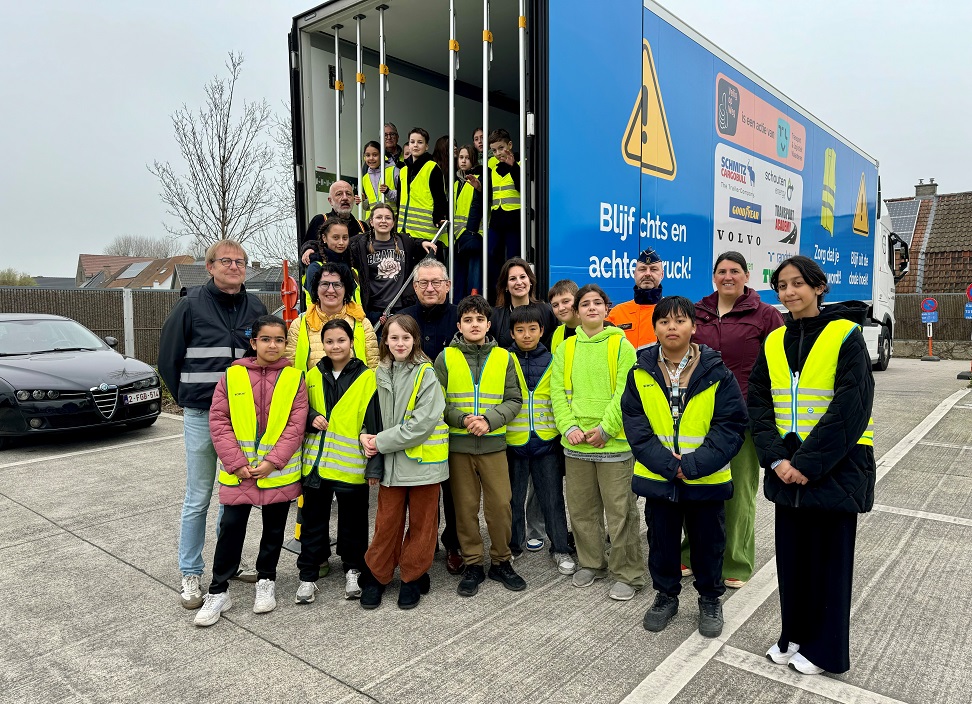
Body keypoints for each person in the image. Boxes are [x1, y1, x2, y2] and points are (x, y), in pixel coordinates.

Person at [748, 255, 875, 676]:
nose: (789, 292)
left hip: (835, 467)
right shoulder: (772, 341)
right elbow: (759, 406)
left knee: (830, 564)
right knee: (793, 562)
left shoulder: (846, 336)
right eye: (782, 285)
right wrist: (778, 459)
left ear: (819, 287)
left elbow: (851, 407)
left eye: (798, 283)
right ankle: (793, 636)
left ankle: (827, 651)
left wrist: (807, 463)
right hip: (787, 469)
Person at [621, 296, 747, 638]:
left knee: (709, 542)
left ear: (694, 327)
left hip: (704, 478)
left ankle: (709, 599)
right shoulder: (640, 371)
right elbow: (635, 424)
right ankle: (665, 596)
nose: (671, 327)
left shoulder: (716, 372)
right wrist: (667, 465)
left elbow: (731, 426)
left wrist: (691, 465)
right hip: (658, 479)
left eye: (679, 321)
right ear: (655, 327)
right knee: (662, 542)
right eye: (664, 321)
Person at [159, 239, 268, 610]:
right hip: (202, 414)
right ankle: (190, 572)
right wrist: (191, 399)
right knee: (198, 495)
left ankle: (229, 562)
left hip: (244, 418)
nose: (234, 267)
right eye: (226, 261)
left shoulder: (255, 306)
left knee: (234, 494)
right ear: (209, 267)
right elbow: (168, 362)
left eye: (240, 262)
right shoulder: (189, 306)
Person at [194, 316, 308, 626]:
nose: (273, 345)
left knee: (273, 531)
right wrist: (236, 464)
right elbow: (219, 422)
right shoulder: (231, 377)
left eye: (279, 340)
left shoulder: (295, 378)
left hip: (278, 472)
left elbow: (296, 426)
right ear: (253, 342)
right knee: (231, 529)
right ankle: (219, 590)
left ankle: (266, 581)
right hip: (239, 471)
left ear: (286, 344)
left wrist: (273, 461)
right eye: (266, 339)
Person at [681, 251, 784, 588]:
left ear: (746, 276)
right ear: (714, 276)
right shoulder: (697, 313)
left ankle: (735, 562)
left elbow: (779, 364)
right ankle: (689, 554)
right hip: (699, 415)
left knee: (738, 491)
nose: (728, 276)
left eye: (735, 271)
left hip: (744, 416)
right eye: (722, 271)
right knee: (695, 486)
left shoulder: (765, 315)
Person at [550, 284, 644, 601]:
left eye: (597, 303)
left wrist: (606, 429)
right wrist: (569, 427)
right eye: (585, 304)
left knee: (621, 512)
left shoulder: (622, 347)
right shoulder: (566, 349)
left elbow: (625, 393)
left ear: (607, 309)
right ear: (576, 312)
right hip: (576, 444)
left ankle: (627, 573)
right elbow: (557, 394)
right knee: (582, 510)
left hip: (613, 445)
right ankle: (592, 562)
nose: (591, 308)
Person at [434, 295, 525, 597]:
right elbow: (437, 402)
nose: (474, 325)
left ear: (488, 324)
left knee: (500, 506)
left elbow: (514, 400)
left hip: (493, 445)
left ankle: (501, 560)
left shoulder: (505, 358)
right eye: (468, 320)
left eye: (480, 320)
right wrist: (462, 420)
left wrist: (488, 419)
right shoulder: (445, 358)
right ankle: (473, 563)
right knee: (465, 508)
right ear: (459, 325)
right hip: (458, 447)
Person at [361, 314, 449, 610]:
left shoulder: (426, 374)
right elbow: (370, 413)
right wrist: (364, 435)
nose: (400, 343)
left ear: (415, 340)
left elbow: (421, 425)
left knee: (423, 526)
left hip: (424, 466)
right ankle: (378, 575)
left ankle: (412, 576)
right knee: (386, 524)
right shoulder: (378, 373)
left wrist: (379, 442)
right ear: (385, 340)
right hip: (391, 467)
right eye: (394, 337)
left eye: (406, 337)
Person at [296, 319, 383, 603]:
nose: (335, 346)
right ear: (323, 344)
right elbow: (300, 410)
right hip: (316, 466)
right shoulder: (311, 375)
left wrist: (374, 465)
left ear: (351, 342)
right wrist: (310, 418)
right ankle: (307, 575)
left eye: (341, 340)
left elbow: (373, 422)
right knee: (312, 523)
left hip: (351, 465)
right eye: (329, 341)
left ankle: (353, 569)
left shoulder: (368, 377)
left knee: (354, 523)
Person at [398, 259, 463, 574]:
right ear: (414, 287)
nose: (430, 287)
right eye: (423, 282)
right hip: (413, 419)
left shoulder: (460, 319)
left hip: (453, 414)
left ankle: (454, 543)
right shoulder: (403, 321)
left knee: (453, 487)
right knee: (423, 488)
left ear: (448, 285)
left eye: (436, 281)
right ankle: (424, 541)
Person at [505, 305, 574, 574]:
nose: (526, 335)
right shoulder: (504, 360)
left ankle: (560, 549)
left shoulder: (554, 361)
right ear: (511, 332)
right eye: (520, 330)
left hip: (547, 442)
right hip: (514, 443)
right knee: (512, 499)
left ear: (542, 331)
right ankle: (513, 545)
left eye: (532, 329)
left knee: (553, 498)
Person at [348, 203, 437, 326]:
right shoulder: (359, 244)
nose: (383, 221)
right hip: (374, 310)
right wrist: (311, 248)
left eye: (388, 218)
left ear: (393, 222)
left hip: (401, 308)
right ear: (371, 222)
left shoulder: (404, 241)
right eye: (379, 217)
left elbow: (415, 242)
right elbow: (333, 244)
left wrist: (422, 243)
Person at [286, 262, 379, 372]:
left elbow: (374, 368)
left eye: (337, 285)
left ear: (346, 290)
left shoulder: (362, 323)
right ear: (316, 288)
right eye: (325, 284)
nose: (330, 290)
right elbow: (289, 367)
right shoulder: (299, 324)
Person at [491, 257, 558, 350]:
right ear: (506, 286)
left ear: (530, 281)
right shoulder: (494, 317)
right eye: (512, 279)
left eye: (522, 277)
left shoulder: (547, 311)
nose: (519, 282)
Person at [606, 247, 666, 351]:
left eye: (653, 269)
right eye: (642, 269)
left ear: (662, 274)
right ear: (634, 274)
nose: (647, 273)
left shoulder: (672, 311)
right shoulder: (617, 313)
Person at [484, 129, 522, 282]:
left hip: (513, 218)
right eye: (494, 150)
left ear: (510, 145)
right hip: (496, 218)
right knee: (491, 253)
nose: (498, 153)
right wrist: (479, 187)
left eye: (501, 148)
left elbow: (524, 189)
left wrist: (514, 168)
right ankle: (496, 290)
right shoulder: (492, 166)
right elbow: (489, 193)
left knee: (513, 257)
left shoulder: (520, 162)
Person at [399, 127, 448, 243]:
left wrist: (438, 218)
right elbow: (400, 200)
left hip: (428, 234)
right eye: (412, 142)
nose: (415, 145)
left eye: (420, 142)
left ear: (426, 146)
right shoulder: (403, 170)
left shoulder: (432, 168)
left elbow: (440, 198)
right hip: (404, 232)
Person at [302, 217, 361, 308]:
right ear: (324, 238)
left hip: (354, 319)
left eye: (345, 238)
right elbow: (318, 300)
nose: (341, 242)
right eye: (336, 238)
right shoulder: (315, 267)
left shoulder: (352, 265)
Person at [452, 144, 484, 299]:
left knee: (474, 276)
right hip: (458, 235)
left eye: (467, 158)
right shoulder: (457, 183)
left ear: (474, 159)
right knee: (458, 276)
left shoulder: (480, 178)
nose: (463, 161)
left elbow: (483, 203)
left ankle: (475, 304)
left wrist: (479, 188)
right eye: (461, 158)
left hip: (473, 234)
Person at [358, 140, 399, 218]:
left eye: (375, 155)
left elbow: (403, 195)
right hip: (372, 222)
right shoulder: (365, 178)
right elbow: (368, 206)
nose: (371, 158)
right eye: (367, 155)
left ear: (382, 155)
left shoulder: (394, 171)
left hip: (391, 220)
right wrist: (362, 201)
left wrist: (388, 192)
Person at [547, 279, 581, 354]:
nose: (561, 308)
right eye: (555, 305)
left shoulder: (596, 329)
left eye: (566, 301)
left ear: (578, 300)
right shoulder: (555, 335)